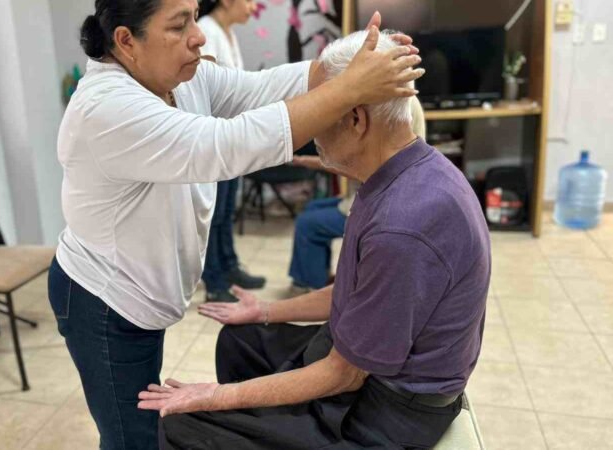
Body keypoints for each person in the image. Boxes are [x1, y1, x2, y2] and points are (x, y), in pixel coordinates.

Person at [50, 0, 423, 447]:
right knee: (135, 438)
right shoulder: (104, 109)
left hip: (141, 288)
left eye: (193, 15)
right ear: (126, 41)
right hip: (104, 299)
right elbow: (224, 145)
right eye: (178, 25)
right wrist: (347, 89)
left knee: (144, 423)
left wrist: (348, 64)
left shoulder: (180, 77)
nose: (199, 35)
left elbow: (261, 88)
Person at [138, 30, 490, 449]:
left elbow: (343, 374)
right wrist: (265, 310)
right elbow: (357, 291)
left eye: (321, 114)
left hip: (385, 414)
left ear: (357, 119)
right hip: (363, 369)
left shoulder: (405, 223)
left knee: (177, 430)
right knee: (241, 340)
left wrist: (214, 397)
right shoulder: (402, 172)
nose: (311, 128)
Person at [288, 97, 426, 293]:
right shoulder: (404, 103)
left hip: (374, 203)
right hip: (371, 195)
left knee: (307, 222)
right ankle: (316, 275)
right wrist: (303, 160)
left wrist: (304, 160)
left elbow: (354, 165)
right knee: (312, 209)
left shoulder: (382, 107)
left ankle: (309, 284)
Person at [197, 0, 266, 302]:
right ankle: (214, 281)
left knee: (225, 211)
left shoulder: (227, 32)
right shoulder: (206, 31)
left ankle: (228, 266)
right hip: (216, 141)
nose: (254, 6)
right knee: (213, 215)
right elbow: (209, 92)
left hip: (231, 139)